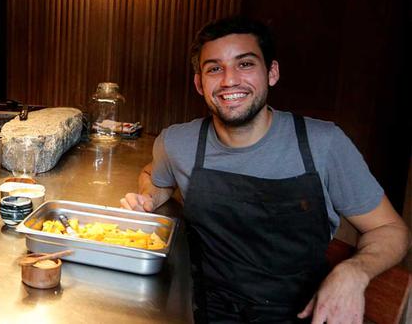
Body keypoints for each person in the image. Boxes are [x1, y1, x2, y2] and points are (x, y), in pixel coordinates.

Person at [121, 17, 411, 323]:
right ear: (199, 83)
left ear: (271, 72)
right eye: (214, 68)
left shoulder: (323, 144)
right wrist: (148, 198)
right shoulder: (178, 142)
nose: (229, 80)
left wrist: (355, 270)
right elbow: (155, 177)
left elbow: (390, 230)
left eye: (245, 64)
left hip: (304, 315)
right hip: (208, 313)